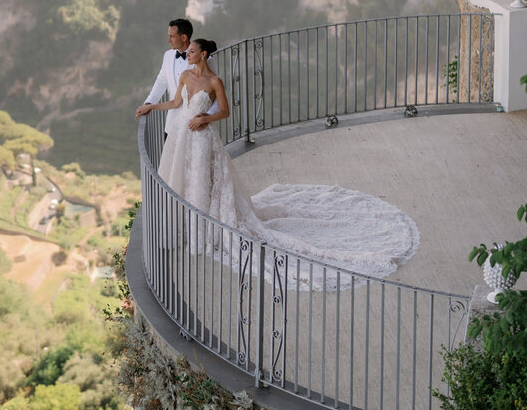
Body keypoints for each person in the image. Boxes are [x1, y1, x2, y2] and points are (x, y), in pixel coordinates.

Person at [144, 39, 420, 288]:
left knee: (205, 181)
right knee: (183, 179)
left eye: (192, 51)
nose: (187, 54)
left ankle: (206, 229)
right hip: (182, 135)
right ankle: (186, 226)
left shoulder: (215, 82)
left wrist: (205, 118)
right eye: (187, 51)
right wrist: (151, 106)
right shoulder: (184, 75)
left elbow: (226, 112)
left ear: (203, 54)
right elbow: (176, 103)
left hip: (203, 137)